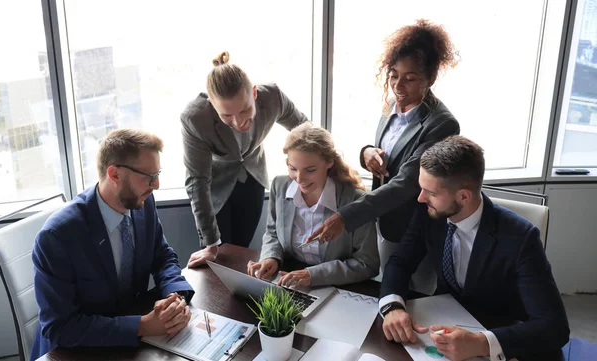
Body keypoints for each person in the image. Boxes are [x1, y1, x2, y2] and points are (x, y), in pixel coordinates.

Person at [379, 136, 569, 361]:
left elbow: (554, 326)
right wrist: (392, 307)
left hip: (499, 332)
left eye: (430, 192)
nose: (420, 198)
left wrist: (481, 343)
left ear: (464, 196)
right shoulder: (427, 213)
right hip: (441, 327)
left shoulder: (521, 237)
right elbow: (401, 261)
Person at [306, 20, 460, 289]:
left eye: (410, 79)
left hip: (415, 227)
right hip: (384, 220)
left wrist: (346, 216)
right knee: (384, 291)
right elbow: (387, 150)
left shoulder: (443, 125)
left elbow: (407, 182)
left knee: (412, 296)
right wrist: (366, 153)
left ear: (431, 78)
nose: (398, 86)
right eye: (393, 75)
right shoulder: (392, 105)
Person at [31, 129, 194, 360]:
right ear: (115, 174)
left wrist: (175, 298)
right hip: (72, 352)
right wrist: (143, 326)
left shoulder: (143, 204)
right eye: (149, 177)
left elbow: (162, 256)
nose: (156, 185)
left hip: (125, 346)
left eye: (157, 174)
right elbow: (59, 327)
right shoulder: (57, 236)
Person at [182, 51, 309, 268]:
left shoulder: (273, 97)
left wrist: (324, 167)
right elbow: (197, 181)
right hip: (215, 188)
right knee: (218, 259)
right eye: (227, 116)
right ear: (212, 104)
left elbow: (306, 131)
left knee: (242, 252)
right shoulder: (194, 118)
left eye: (245, 110)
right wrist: (211, 244)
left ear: (254, 93)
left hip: (253, 179)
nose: (239, 122)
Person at [247, 124, 379, 287]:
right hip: (288, 280)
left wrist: (314, 275)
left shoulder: (356, 201)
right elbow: (273, 232)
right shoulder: (280, 186)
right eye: (292, 168)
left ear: (329, 161)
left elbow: (367, 264)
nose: (299, 178)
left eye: (310, 170)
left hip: (337, 288)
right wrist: (270, 257)